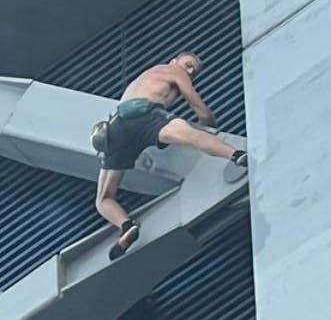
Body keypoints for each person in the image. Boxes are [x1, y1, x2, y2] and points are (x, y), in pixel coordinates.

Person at [93, 51, 247, 260]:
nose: (190, 71)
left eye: (194, 70)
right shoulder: (174, 70)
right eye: (188, 64)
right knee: (194, 137)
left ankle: (126, 225)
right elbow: (197, 105)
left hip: (117, 127)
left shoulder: (145, 78)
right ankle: (236, 154)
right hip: (145, 114)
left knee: (103, 198)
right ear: (174, 61)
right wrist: (209, 124)